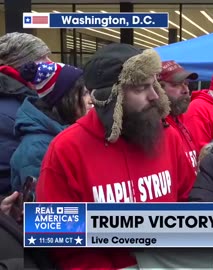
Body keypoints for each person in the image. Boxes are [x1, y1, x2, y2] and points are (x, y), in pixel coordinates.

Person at [35, 44, 196, 269]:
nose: (154, 96)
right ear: (109, 97)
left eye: (154, 85)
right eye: (141, 88)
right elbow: (62, 243)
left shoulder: (169, 137)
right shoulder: (66, 150)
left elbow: (188, 207)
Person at [10, 61, 85, 191]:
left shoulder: (68, 133)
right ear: (64, 99)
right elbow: (44, 206)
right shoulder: (37, 149)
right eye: (83, 94)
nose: (91, 100)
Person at [0, 33, 50, 195]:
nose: (50, 64)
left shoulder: (24, 98)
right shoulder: (11, 112)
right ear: (22, 64)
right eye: (42, 58)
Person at [157, 60, 199, 173]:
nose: (185, 90)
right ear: (158, 89)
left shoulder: (181, 120)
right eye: (176, 84)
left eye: (186, 83)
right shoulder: (156, 129)